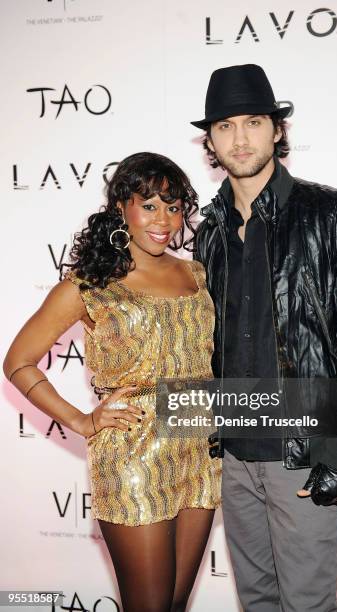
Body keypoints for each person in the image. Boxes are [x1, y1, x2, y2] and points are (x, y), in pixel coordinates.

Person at [191, 64, 337, 611]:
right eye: (225, 126)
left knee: (306, 604)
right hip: (232, 455)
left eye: (253, 122)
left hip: (301, 453)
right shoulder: (207, 234)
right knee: (256, 601)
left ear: (277, 130)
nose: (240, 139)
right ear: (209, 140)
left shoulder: (330, 211)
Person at [3, 152, 221, 612]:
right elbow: (19, 362)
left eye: (174, 205)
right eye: (149, 205)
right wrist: (82, 420)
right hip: (133, 452)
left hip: (198, 447)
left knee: (177, 604)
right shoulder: (89, 285)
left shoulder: (196, 273)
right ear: (121, 207)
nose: (164, 219)